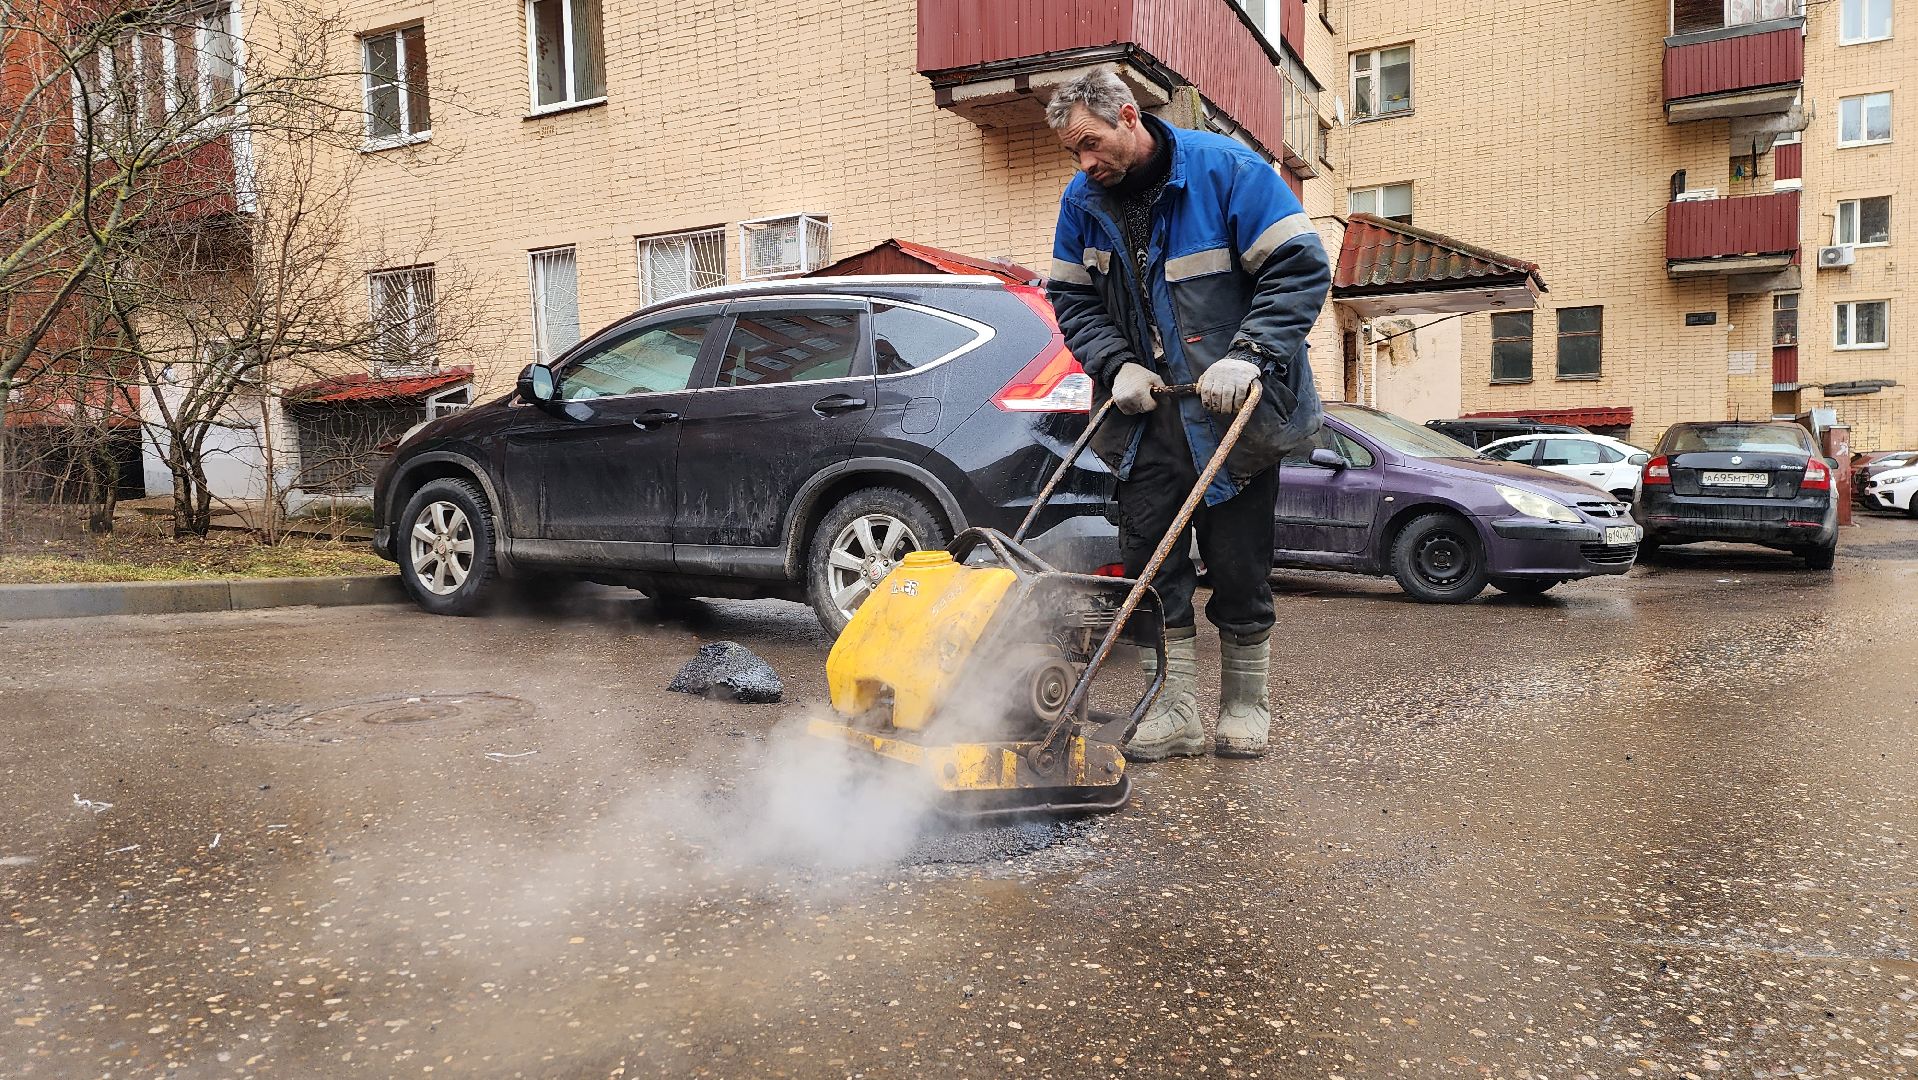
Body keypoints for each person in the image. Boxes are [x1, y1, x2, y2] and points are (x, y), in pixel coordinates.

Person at [1043, 68, 1331, 760]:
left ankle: (1244, 705)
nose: (1084, 164)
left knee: (1238, 563)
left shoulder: (1226, 171)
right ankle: (1172, 712)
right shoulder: (1083, 203)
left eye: (1090, 143)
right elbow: (1073, 301)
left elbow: (1298, 267)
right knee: (1150, 565)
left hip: (1234, 413)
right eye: (1071, 152)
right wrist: (1117, 365)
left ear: (1128, 116)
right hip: (1145, 421)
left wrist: (1251, 353)